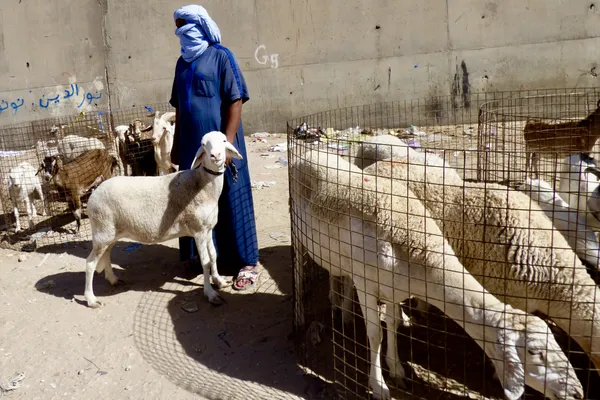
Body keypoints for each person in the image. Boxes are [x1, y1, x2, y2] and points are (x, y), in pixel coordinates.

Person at [169, 4, 260, 291]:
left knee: (231, 199)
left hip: (221, 148)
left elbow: (235, 99)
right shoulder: (181, 64)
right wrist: (175, 145)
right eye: (178, 26)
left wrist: (228, 143)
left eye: (187, 25)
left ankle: (247, 262)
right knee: (193, 203)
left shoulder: (221, 56)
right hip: (191, 150)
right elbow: (181, 110)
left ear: (202, 25)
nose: (182, 31)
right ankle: (203, 258)